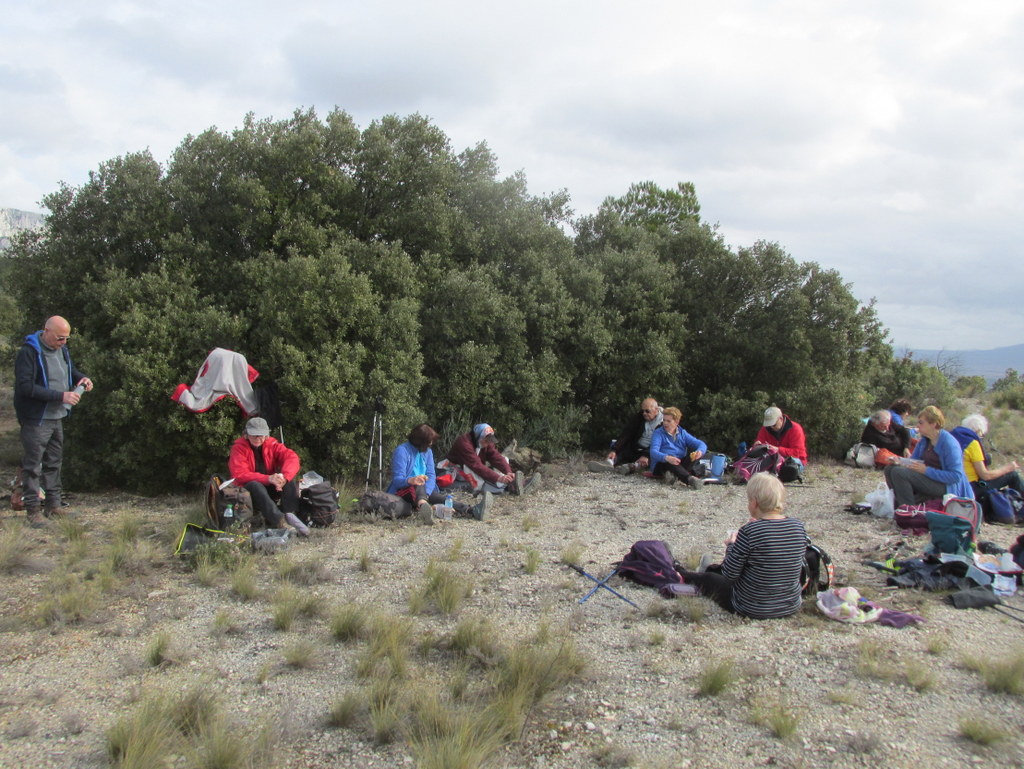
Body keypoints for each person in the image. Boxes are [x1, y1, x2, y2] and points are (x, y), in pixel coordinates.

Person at [679, 473, 807, 619]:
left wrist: (732, 545)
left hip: (750, 606)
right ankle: (705, 569)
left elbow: (729, 574)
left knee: (710, 579)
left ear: (754, 503)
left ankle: (679, 571)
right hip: (790, 605)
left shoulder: (750, 531)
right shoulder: (798, 526)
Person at [13, 316, 93, 528]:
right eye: (60, 338)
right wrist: (61, 396)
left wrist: (81, 379)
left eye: (66, 339)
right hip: (36, 419)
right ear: (46, 331)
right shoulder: (28, 353)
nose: (63, 343)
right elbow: (26, 387)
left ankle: (53, 506)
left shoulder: (62, 350)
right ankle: (32, 511)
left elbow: (70, 371)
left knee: (54, 462)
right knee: (33, 465)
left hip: (57, 416)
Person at [388, 423, 491, 525]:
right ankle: (424, 506)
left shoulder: (427, 452)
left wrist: (427, 493)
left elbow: (431, 475)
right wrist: (410, 480)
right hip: (405, 491)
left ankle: (472, 510)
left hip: (424, 491)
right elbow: (397, 480)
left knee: (445, 500)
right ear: (420, 441)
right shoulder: (402, 451)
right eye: (429, 442)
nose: (431, 444)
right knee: (419, 484)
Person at [228, 417, 308, 535]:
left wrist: (284, 478)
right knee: (255, 485)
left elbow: (292, 458)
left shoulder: (272, 444)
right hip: (248, 491)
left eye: (260, 435)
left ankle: (291, 516)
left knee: (289, 480)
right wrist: (268, 478)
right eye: (254, 435)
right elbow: (239, 474)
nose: (257, 438)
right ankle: (279, 521)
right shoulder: (238, 448)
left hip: (270, 486)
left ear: (266, 435)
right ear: (246, 434)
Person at [883, 406, 973, 507]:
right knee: (890, 469)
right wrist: (900, 461)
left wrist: (926, 470)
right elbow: (914, 462)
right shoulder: (924, 441)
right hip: (930, 480)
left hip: (948, 487)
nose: (918, 426)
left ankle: (908, 510)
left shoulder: (949, 444)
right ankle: (900, 504)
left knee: (899, 472)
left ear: (933, 424)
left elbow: (956, 476)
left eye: (921, 423)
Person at [444, 423, 540, 496]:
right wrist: (498, 478)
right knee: (478, 479)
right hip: (456, 468)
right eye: (485, 441)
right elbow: (476, 465)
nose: (487, 444)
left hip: (473, 466)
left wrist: (508, 472)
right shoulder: (463, 443)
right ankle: (510, 487)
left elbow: (496, 457)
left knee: (504, 459)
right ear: (478, 436)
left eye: (489, 441)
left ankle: (513, 483)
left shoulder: (486, 442)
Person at [952, 414, 1024, 498]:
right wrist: (1008, 468)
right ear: (978, 431)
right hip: (970, 488)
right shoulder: (972, 443)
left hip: (952, 486)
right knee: (1013, 475)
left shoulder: (951, 438)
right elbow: (985, 475)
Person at [588, 398, 663, 475]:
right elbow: (627, 433)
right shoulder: (639, 417)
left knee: (651, 456)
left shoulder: (664, 421)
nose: (644, 413)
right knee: (623, 450)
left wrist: (646, 455)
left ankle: (632, 467)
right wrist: (614, 450)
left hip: (651, 449)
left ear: (656, 410)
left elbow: (661, 442)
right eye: (642, 411)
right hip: (636, 446)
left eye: (647, 411)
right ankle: (609, 462)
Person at [648, 407, 707, 489]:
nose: (665, 423)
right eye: (664, 420)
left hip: (678, 462)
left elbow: (701, 444)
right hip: (662, 464)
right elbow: (653, 452)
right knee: (670, 463)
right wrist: (667, 458)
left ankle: (674, 475)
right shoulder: (658, 433)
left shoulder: (683, 433)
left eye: (668, 421)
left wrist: (699, 452)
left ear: (676, 422)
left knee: (694, 455)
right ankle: (690, 479)